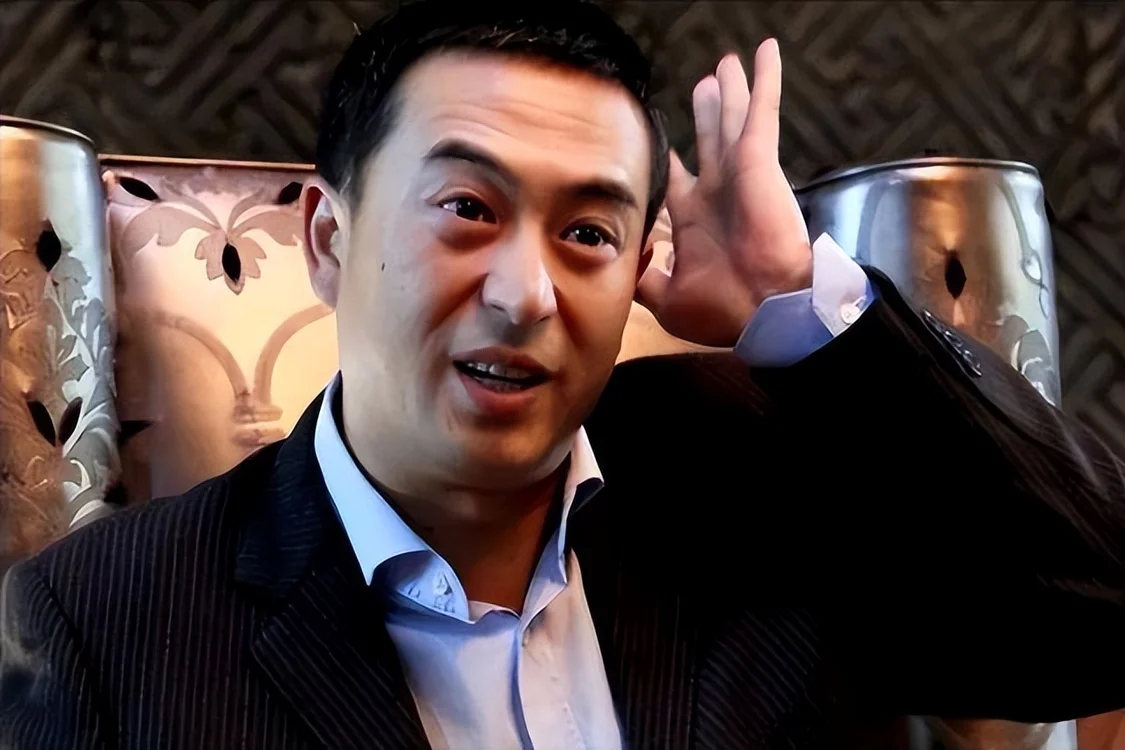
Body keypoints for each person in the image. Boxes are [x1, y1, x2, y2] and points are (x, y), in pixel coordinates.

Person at [2, 2, 1124, 749]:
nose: (526, 294)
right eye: (467, 209)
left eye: (588, 233)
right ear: (330, 240)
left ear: (639, 270)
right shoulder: (99, 620)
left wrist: (797, 303)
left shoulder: (751, 485)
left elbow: (1096, 619)